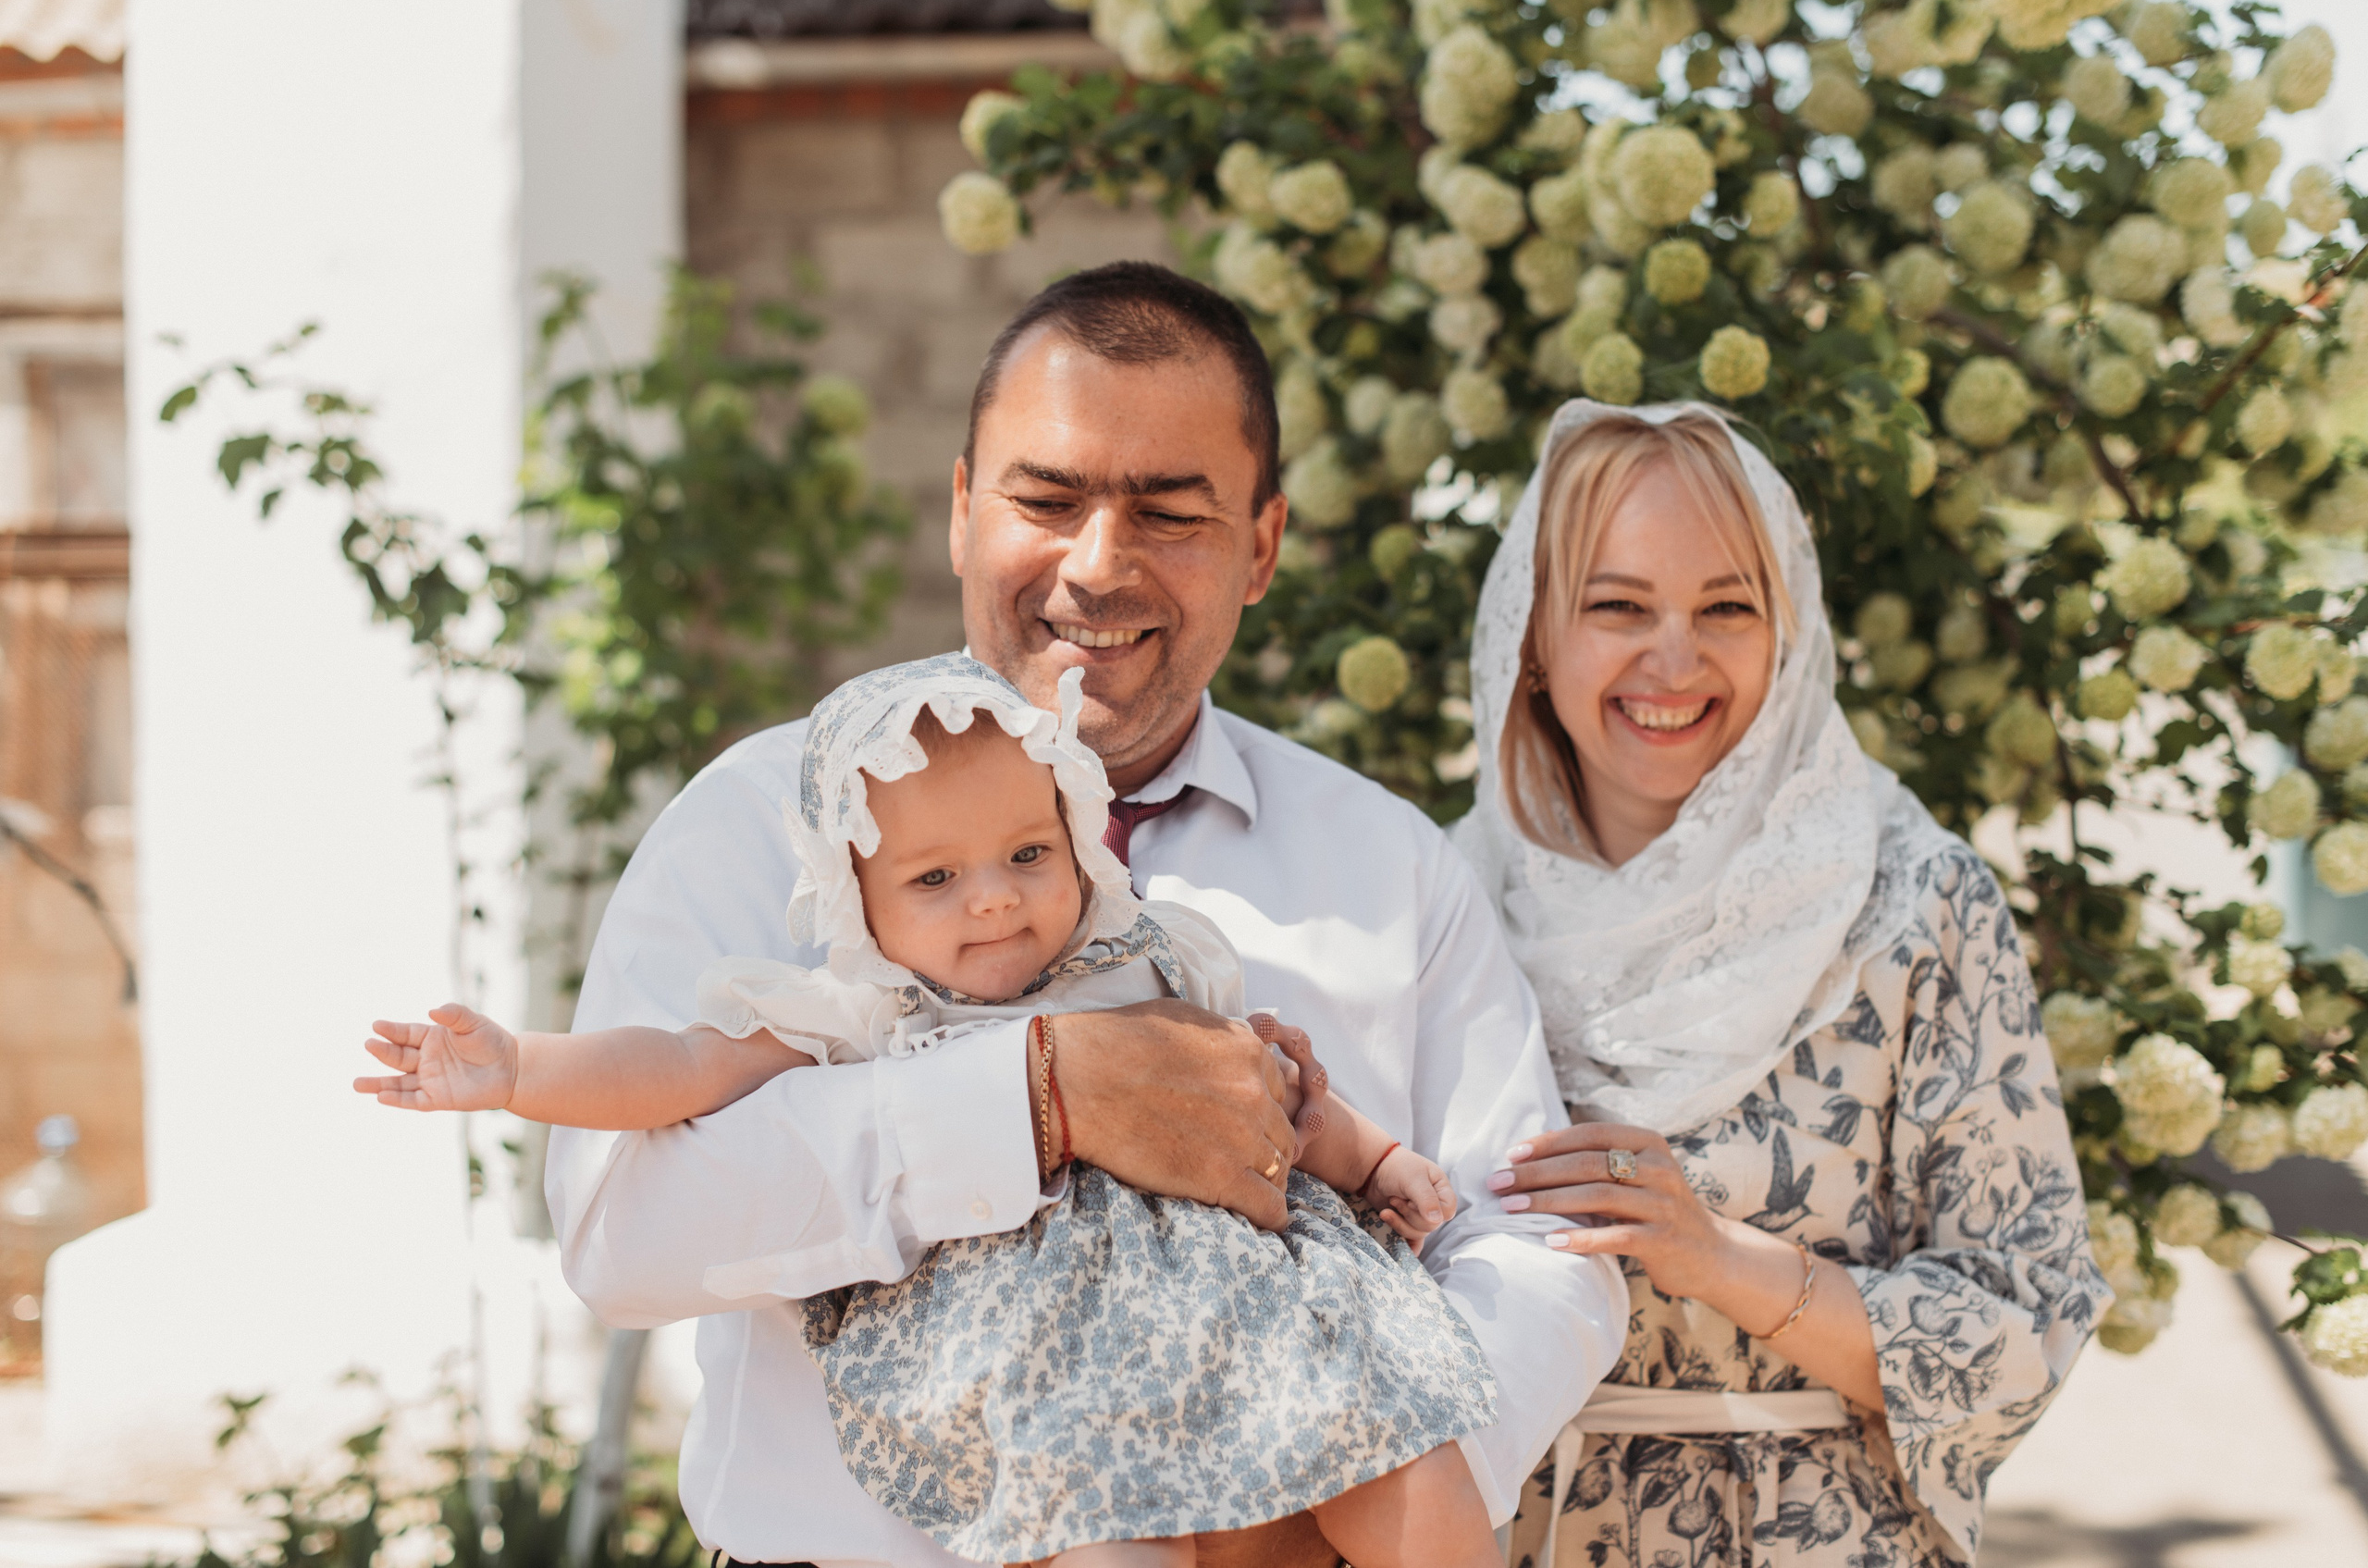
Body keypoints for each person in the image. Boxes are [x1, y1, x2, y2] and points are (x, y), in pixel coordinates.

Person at [541, 263, 1628, 1568]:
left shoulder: (1385, 862)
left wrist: (1368, 1471)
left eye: (1169, 512)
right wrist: (1036, 1098)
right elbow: (619, 1233)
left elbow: (1534, 1239)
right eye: (1046, 500)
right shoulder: (761, 820)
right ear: (962, 511)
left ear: (1262, 546)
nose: (1098, 565)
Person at [358, 655, 1502, 1567]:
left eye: (1027, 852)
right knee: (1113, 1536)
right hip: (1062, 1374)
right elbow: (676, 1067)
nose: (994, 897)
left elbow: (1264, 1090)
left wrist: (1375, 1159)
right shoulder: (866, 1010)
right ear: (858, 900)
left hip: (1254, 1322)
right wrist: (518, 1066)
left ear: (1077, 841)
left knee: (1411, 1465)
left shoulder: (1140, 958)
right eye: (935, 878)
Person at [1458, 402, 2110, 1567]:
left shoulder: (1913, 904)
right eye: (1617, 606)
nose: (1674, 660)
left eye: (1727, 607)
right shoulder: (1443, 902)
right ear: (1533, 635)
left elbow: (2025, 1319)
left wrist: (1718, 1255)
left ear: (1788, 630)